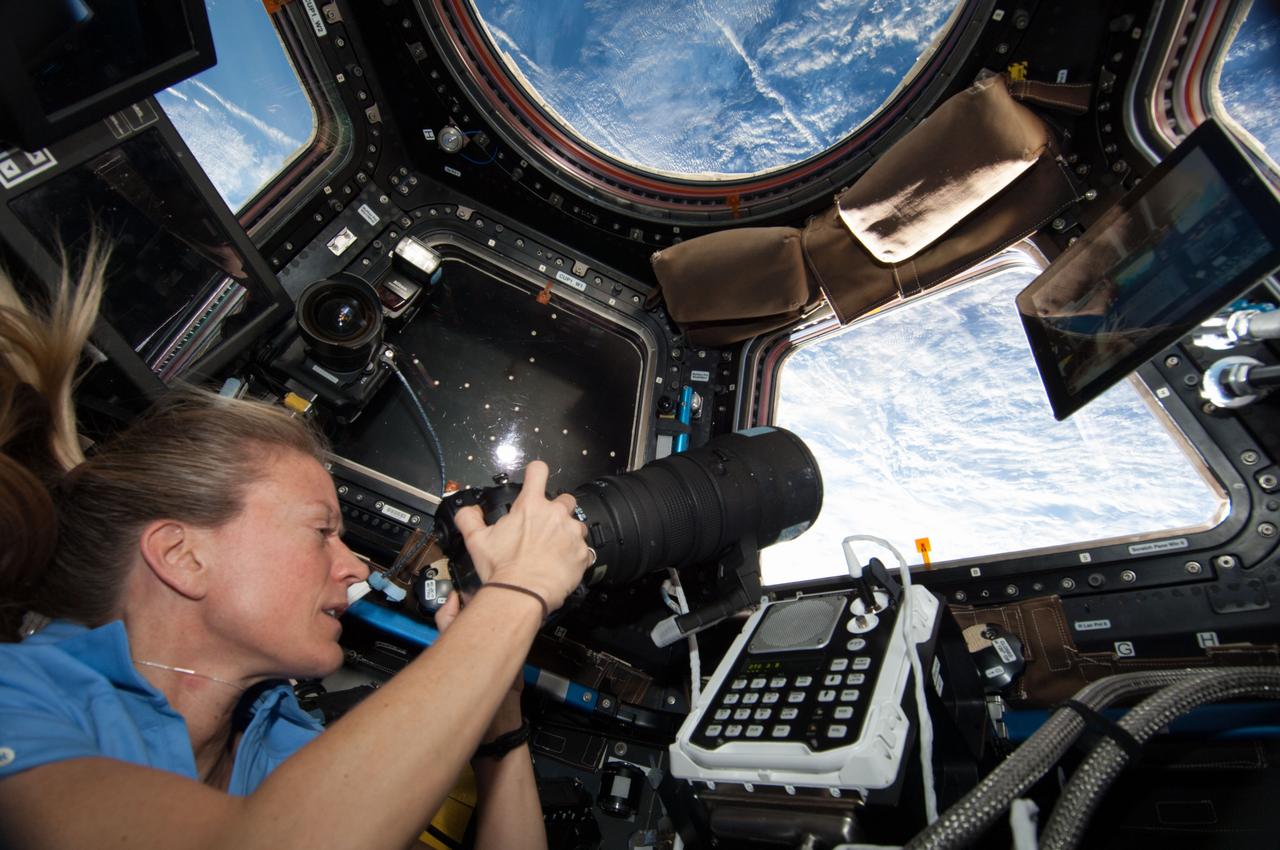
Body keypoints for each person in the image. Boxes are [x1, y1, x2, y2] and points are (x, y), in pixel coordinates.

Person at [0, 250, 592, 849]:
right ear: (182, 556)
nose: (355, 568)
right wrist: (517, 592)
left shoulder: (278, 734)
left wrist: (499, 725)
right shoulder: (18, 702)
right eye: (320, 532)